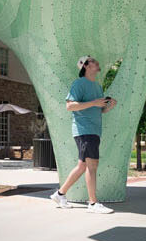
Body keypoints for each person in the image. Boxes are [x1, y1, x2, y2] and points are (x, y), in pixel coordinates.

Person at [50, 56, 117, 213]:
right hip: (84, 130)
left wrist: (109, 106)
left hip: (93, 131)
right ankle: (93, 204)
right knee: (92, 166)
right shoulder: (79, 84)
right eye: (93, 61)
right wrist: (94, 102)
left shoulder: (97, 87)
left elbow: (99, 110)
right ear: (86, 66)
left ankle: (60, 194)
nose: (97, 62)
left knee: (82, 166)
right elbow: (70, 106)